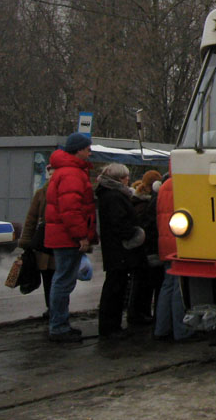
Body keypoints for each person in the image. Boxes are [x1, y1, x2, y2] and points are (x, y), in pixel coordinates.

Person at [44, 133, 97, 343]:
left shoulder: (65, 171)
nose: (89, 152)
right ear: (78, 150)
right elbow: (71, 210)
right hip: (68, 238)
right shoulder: (72, 174)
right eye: (87, 148)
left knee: (63, 280)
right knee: (64, 281)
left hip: (62, 236)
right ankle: (58, 327)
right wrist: (81, 236)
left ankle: (60, 324)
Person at [95, 163, 145, 339]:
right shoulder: (115, 196)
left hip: (114, 247)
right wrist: (135, 233)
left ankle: (111, 325)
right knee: (115, 288)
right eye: (125, 177)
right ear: (118, 179)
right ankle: (111, 327)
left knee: (115, 286)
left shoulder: (107, 194)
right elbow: (119, 222)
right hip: (120, 248)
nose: (128, 180)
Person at [153, 175, 198, 342]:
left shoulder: (165, 186)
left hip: (165, 242)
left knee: (168, 286)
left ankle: (161, 329)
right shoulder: (184, 183)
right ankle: (182, 330)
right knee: (180, 288)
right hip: (180, 243)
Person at [18, 165, 55, 317]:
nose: (52, 177)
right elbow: (31, 219)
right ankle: (52, 308)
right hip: (43, 242)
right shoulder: (41, 193)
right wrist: (26, 241)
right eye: (50, 174)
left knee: (59, 277)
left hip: (59, 242)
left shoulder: (63, 192)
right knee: (48, 276)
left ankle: (57, 308)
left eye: (55, 173)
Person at [127, 170, 163, 324]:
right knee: (146, 284)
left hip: (142, 249)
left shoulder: (136, 200)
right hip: (147, 249)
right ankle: (140, 315)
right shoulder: (146, 204)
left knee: (143, 284)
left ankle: (140, 313)